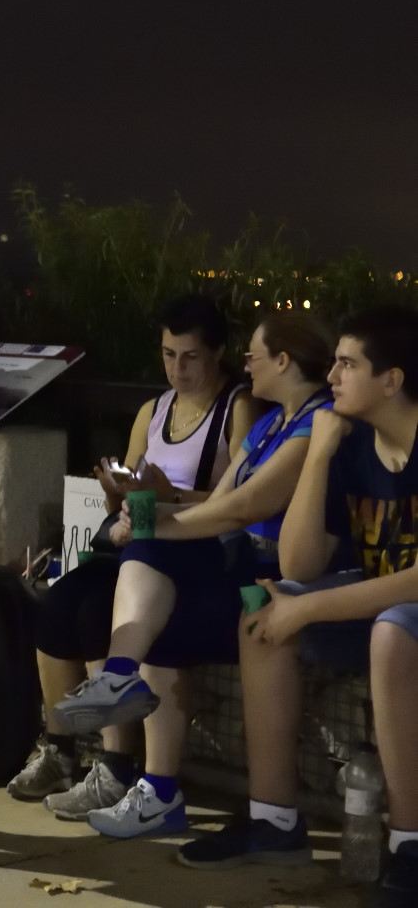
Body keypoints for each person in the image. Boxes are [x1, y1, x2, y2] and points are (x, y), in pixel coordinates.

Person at [46, 311, 334, 839]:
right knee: (155, 616)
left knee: (151, 559)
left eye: (253, 354)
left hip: (273, 575)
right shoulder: (273, 423)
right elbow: (220, 501)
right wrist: (146, 511)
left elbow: (244, 507)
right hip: (240, 563)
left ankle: (119, 683)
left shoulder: (318, 422)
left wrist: (155, 525)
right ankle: (157, 787)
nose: (246, 363)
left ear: (283, 361)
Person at [178, 305, 418, 907]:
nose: (330, 377)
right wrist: (318, 454)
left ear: (392, 379)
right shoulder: (352, 444)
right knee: (264, 612)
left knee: (389, 631)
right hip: (384, 602)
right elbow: (299, 565)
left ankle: (410, 845)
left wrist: (309, 610)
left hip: (404, 611)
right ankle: (274, 821)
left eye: (347, 365)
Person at [9, 293, 254, 820]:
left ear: (218, 353)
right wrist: (116, 491)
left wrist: (171, 496)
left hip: (194, 549)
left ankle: (116, 766)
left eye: (189, 356)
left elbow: (240, 500)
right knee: (56, 605)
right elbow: (127, 501)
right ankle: (60, 749)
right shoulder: (154, 409)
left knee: (98, 614)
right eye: (168, 355)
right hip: (138, 541)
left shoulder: (237, 408)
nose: (177, 368)